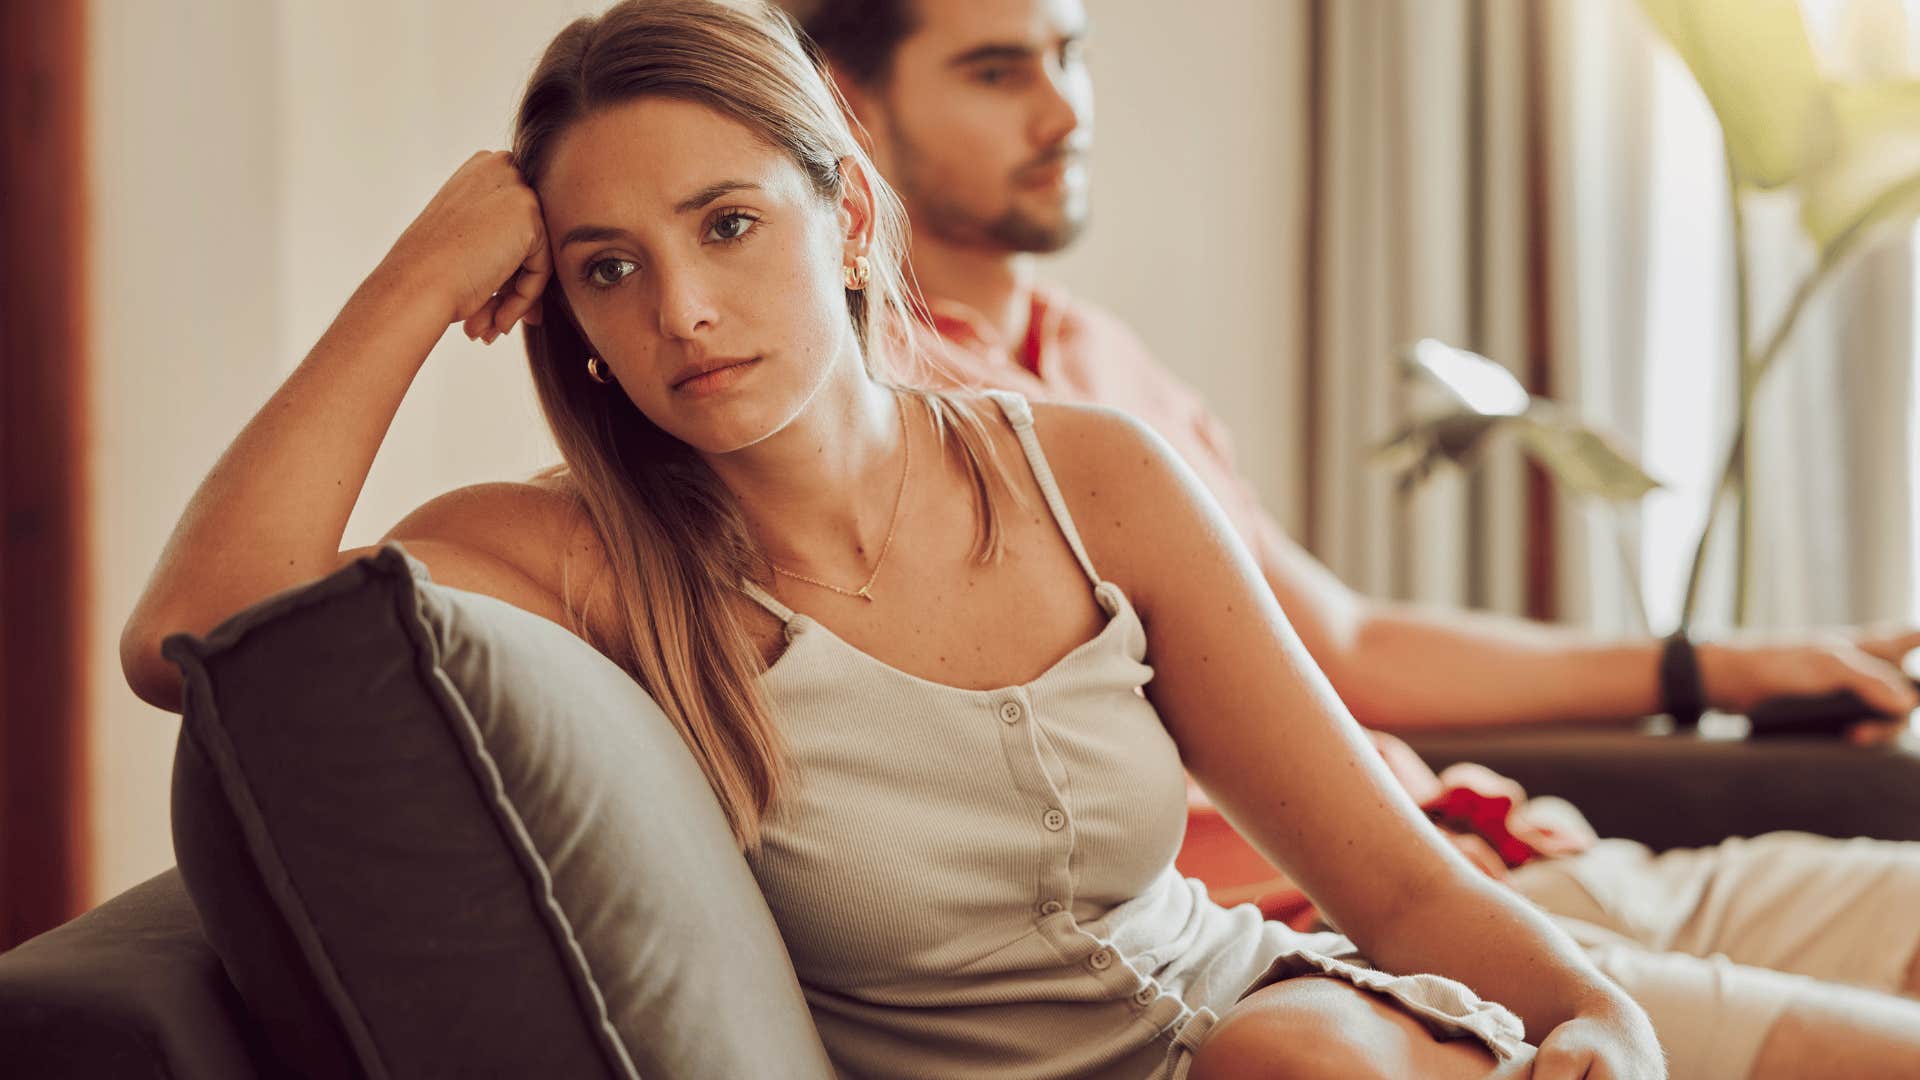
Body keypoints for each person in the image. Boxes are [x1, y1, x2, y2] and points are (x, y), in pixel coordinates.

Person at [116, 1, 1671, 1076]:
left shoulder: (1092, 474)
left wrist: (1605, 1014)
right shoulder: (566, 559)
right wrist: (412, 279)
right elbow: (193, 639)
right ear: (563, 311)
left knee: (1299, 1052)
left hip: (1289, 1033)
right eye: (606, 267)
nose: (685, 312)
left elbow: (1392, 887)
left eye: (729, 225)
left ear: (851, 222)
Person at [786, 0, 1920, 1075]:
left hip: (1500, 862)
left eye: (1068, 54)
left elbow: (1342, 638)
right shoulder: (877, 435)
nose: (1067, 109)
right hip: (1339, 941)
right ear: (850, 105)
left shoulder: (1097, 360)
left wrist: (1709, 666)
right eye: (996, 71)